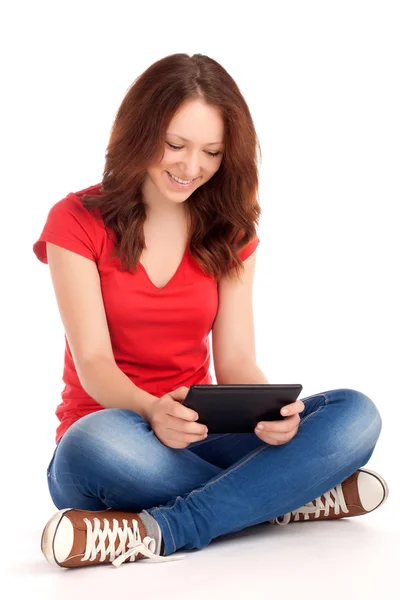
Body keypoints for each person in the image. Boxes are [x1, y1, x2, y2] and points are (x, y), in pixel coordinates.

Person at [33, 53, 388, 569]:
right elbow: (94, 363)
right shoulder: (75, 221)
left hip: (204, 436)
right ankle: (289, 496)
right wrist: (153, 410)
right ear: (138, 131)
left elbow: (238, 360)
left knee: (356, 416)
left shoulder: (229, 233)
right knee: (95, 443)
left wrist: (270, 415)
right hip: (117, 438)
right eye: (175, 145)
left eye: (212, 152)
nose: (191, 167)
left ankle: (165, 528)